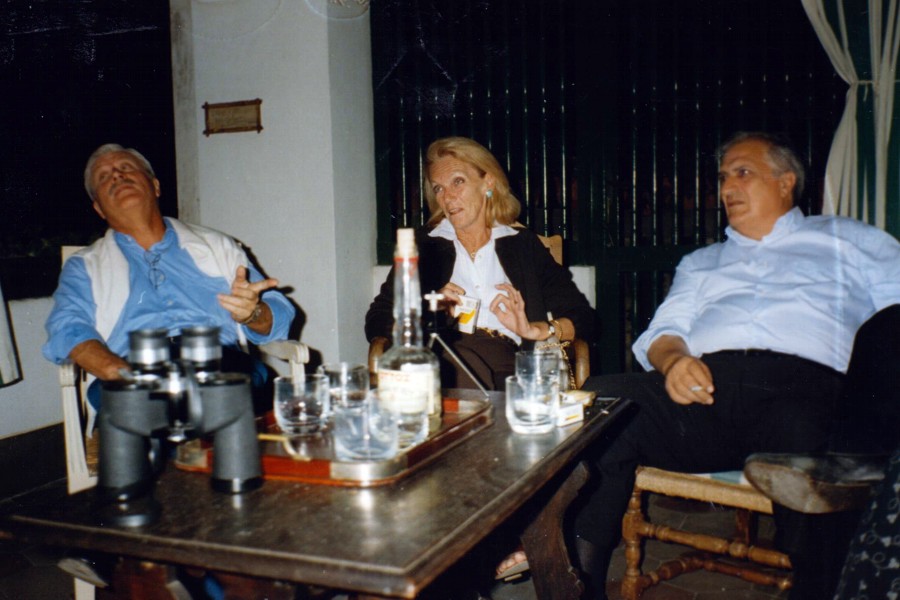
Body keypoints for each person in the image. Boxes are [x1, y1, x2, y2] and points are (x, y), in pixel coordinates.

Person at [571, 131, 900, 599]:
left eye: (743, 173)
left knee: (808, 445)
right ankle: (577, 585)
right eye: (724, 176)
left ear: (785, 182)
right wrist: (674, 362)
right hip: (708, 394)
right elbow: (662, 333)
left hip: (807, 392)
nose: (727, 187)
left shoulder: (848, 240)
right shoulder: (702, 262)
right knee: (601, 404)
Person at [43, 143, 295, 404]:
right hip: (132, 375)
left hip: (219, 364)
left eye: (126, 168)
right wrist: (116, 372)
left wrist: (253, 314)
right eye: (104, 177)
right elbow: (65, 326)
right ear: (99, 209)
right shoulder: (84, 266)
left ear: (155, 186)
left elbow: (279, 314)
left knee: (219, 394)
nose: (117, 175)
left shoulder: (217, 246)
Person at [365, 136, 593, 390]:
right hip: (444, 359)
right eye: (438, 188)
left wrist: (537, 330)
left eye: (458, 182)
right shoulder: (424, 245)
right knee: (459, 364)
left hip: (510, 365)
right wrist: (426, 312)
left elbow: (584, 317)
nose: (447, 197)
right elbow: (378, 316)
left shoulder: (522, 244)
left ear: (488, 182)